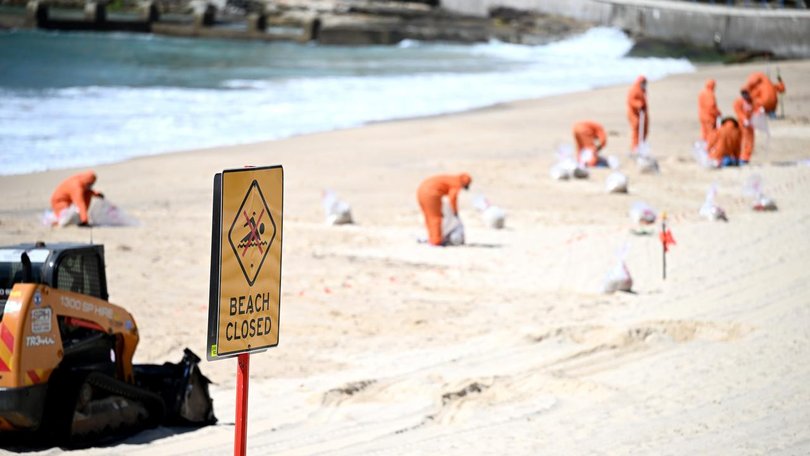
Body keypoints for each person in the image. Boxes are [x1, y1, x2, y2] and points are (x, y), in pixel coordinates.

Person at [417, 173, 471, 246]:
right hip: (431, 194)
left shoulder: (451, 179)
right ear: (465, 183)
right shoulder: (457, 183)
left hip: (421, 191)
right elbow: (452, 197)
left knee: (429, 217)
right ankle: (436, 241)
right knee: (435, 218)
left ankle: (431, 238)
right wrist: (455, 212)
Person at [733, 89, 756, 165]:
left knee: (750, 142)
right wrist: (744, 119)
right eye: (744, 94)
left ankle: (746, 158)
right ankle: (741, 158)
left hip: (750, 125)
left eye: (747, 93)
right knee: (743, 141)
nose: (745, 95)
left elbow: (756, 108)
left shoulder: (751, 101)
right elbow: (738, 111)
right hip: (742, 124)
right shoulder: (738, 102)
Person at [626, 75, 648, 153]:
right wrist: (639, 105)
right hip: (634, 114)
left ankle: (641, 146)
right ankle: (635, 148)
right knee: (636, 131)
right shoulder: (634, 89)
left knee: (643, 132)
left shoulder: (642, 90)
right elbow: (631, 100)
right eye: (643, 82)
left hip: (642, 114)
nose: (644, 84)